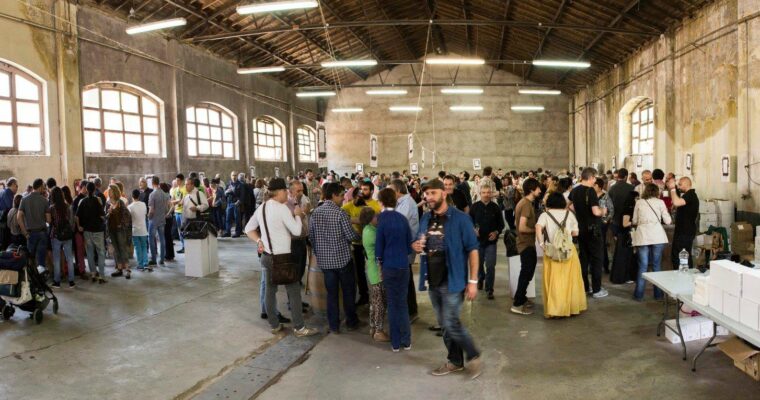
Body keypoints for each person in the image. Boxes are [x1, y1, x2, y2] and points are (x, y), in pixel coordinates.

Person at [411, 179, 482, 379]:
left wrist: (473, 281)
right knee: (444, 324)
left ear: (443, 193)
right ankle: (456, 361)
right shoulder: (425, 218)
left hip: (454, 279)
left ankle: (474, 355)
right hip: (432, 279)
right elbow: (418, 240)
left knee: (451, 322)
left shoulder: (460, 219)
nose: (428, 197)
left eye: (432, 193)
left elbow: (473, 249)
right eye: (426, 194)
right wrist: (415, 245)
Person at [245, 178, 318, 337]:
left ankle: (274, 325)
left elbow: (248, 229)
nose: (288, 193)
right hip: (283, 258)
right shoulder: (282, 208)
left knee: (270, 291)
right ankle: (299, 328)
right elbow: (297, 231)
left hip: (267, 257)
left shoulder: (262, 208)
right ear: (279, 192)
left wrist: (259, 241)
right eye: (286, 190)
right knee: (293, 292)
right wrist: (298, 215)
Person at [309, 182, 362, 333]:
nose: (343, 199)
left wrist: (320, 252)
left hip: (325, 263)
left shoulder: (315, 213)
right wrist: (361, 235)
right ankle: (351, 321)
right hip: (343, 260)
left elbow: (311, 237)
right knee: (348, 292)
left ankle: (334, 325)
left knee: (331, 295)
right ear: (333, 195)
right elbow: (351, 235)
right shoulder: (341, 214)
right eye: (341, 196)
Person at [536, 192, 587, 318]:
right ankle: (571, 307)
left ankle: (556, 310)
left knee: (554, 281)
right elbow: (575, 233)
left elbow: (538, 228)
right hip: (568, 251)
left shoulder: (545, 215)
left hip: (552, 252)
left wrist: (541, 244)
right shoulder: (569, 214)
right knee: (571, 280)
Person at [376, 188, 414, 352]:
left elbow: (379, 247)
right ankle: (407, 341)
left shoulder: (381, 220)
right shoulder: (402, 219)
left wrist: (380, 263)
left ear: (381, 202)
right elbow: (408, 246)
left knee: (392, 304)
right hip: (403, 265)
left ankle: (396, 343)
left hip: (389, 266)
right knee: (403, 304)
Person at [568, 168, 608, 298]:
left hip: (580, 230)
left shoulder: (574, 190)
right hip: (593, 230)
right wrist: (603, 210)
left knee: (583, 259)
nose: (595, 180)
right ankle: (597, 290)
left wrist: (579, 211)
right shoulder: (590, 191)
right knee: (597, 259)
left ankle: (585, 287)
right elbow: (596, 212)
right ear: (591, 177)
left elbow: (567, 204)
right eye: (595, 178)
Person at [342, 180, 382, 306]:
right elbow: (340, 213)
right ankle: (364, 295)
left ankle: (377, 296)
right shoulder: (352, 204)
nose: (362, 192)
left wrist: (354, 220)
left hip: (372, 243)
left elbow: (370, 221)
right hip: (357, 243)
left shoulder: (375, 205)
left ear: (371, 191)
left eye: (365, 189)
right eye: (361, 189)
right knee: (359, 271)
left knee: (374, 270)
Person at [632, 183, 672, 301]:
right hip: (657, 235)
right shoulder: (660, 202)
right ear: (657, 192)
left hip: (643, 235)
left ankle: (639, 295)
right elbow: (668, 221)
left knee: (643, 266)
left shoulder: (639, 202)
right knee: (656, 265)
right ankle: (658, 295)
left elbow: (634, 220)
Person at [390, 179, 420, 321]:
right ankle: (409, 310)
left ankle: (411, 312)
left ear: (397, 191)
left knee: (406, 280)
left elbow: (397, 223)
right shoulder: (401, 203)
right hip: (402, 246)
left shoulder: (406, 203)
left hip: (406, 246)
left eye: (391, 190)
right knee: (404, 280)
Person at [360, 206, 390, 342]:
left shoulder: (368, 229)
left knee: (374, 302)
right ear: (371, 218)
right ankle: (379, 331)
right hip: (376, 272)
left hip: (371, 270)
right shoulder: (372, 233)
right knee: (380, 303)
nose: (378, 218)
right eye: (376, 216)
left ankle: (373, 327)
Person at [469, 185, 504, 299]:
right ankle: (480, 278)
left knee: (490, 265)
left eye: (488, 192)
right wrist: (473, 230)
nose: (486, 195)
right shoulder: (474, 207)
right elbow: (468, 222)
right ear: (480, 193)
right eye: (483, 192)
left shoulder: (495, 207)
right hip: (477, 242)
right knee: (478, 265)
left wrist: (496, 232)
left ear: (491, 193)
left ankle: (489, 289)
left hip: (491, 243)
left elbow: (501, 224)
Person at [511, 178, 540, 315]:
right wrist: (536, 230)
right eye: (538, 188)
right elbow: (522, 227)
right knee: (526, 273)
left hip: (527, 244)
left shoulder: (525, 203)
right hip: (525, 244)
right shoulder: (526, 205)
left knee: (527, 273)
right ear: (532, 190)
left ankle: (522, 298)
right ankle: (517, 304)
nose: (540, 191)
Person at [76, 182, 107, 283]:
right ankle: (101, 276)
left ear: (86, 189)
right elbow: (102, 216)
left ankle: (93, 274)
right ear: (94, 190)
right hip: (98, 230)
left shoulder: (82, 201)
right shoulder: (98, 200)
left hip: (87, 230)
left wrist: (79, 226)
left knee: (89, 253)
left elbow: (77, 216)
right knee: (101, 253)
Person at [17, 178, 50, 267]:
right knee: (41, 260)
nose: (44, 188)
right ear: (39, 187)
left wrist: (25, 233)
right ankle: (41, 278)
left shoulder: (24, 199)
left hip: (30, 233)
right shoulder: (45, 200)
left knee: (31, 258)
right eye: (43, 186)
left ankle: (32, 279)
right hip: (42, 232)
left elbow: (19, 217)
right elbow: (49, 220)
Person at [47, 187, 76, 288]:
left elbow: (49, 222)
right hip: (67, 235)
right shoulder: (67, 206)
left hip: (56, 235)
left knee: (56, 259)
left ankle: (57, 282)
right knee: (69, 258)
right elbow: (72, 221)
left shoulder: (51, 208)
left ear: (53, 197)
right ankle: (71, 281)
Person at [668, 177, 698, 269]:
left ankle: (685, 276)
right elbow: (677, 203)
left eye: (680, 184)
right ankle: (680, 275)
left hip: (685, 232)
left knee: (683, 255)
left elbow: (677, 202)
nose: (679, 186)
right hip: (682, 231)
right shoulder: (686, 195)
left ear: (686, 184)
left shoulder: (691, 195)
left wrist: (672, 188)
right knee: (677, 254)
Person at [610, 191, 639, 284]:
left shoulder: (629, 208)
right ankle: (624, 277)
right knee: (625, 257)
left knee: (626, 257)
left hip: (625, 235)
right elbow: (625, 223)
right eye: (637, 198)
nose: (638, 200)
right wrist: (636, 222)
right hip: (625, 236)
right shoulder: (628, 209)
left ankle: (625, 277)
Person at [107, 185, 132, 279]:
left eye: (110, 191)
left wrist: (122, 224)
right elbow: (105, 217)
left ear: (115, 192)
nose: (109, 193)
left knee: (122, 248)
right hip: (111, 229)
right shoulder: (108, 203)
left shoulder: (120, 202)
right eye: (109, 191)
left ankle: (127, 269)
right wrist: (108, 213)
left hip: (120, 229)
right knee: (116, 249)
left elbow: (127, 215)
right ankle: (119, 268)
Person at [594, 178, 614, 274]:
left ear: (599, 186)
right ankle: (594, 266)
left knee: (601, 244)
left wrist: (606, 220)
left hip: (602, 223)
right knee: (593, 244)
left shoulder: (606, 196)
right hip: (593, 222)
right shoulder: (591, 195)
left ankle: (605, 265)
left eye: (594, 185)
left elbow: (611, 210)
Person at [147, 177, 168, 267]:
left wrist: (148, 217)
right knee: (162, 238)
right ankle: (162, 259)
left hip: (154, 220)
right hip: (162, 219)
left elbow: (151, 210)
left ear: (152, 183)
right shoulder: (164, 194)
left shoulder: (152, 194)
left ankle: (154, 259)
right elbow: (166, 208)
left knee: (151, 238)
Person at [128, 189, 150, 272]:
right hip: (144, 229)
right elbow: (145, 214)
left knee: (138, 248)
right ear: (139, 196)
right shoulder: (144, 204)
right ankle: (146, 263)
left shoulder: (130, 207)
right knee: (144, 247)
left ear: (132, 196)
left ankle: (140, 265)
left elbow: (129, 219)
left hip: (135, 230)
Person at [0, 177, 18, 250]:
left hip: (2, 221)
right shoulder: (8, 193)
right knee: (5, 243)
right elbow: (10, 207)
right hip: (4, 222)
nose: (17, 188)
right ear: (13, 184)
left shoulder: (4, 191)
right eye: (16, 186)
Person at [170, 174, 187, 253]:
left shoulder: (185, 189)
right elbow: (172, 201)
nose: (177, 181)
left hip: (183, 212)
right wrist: (177, 201)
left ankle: (186, 246)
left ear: (181, 180)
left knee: (184, 230)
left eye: (178, 180)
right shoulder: (175, 189)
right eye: (176, 180)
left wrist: (177, 201)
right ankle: (183, 246)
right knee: (179, 230)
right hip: (176, 212)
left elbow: (182, 202)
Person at [160, 183, 176, 262]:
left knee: (166, 237)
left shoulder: (165, 196)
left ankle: (168, 255)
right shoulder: (167, 195)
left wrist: (167, 214)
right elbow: (172, 206)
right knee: (168, 237)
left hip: (166, 219)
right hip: (168, 218)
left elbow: (172, 206)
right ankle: (170, 255)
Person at [224, 171, 241, 237]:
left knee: (237, 219)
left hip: (236, 203)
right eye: (233, 175)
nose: (234, 177)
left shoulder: (240, 184)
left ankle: (237, 232)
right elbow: (224, 193)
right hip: (229, 203)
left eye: (235, 175)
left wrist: (239, 202)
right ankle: (228, 232)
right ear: (231, 176)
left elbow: (242, 195)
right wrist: (226, 192)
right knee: (228, 218)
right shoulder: (228, 184)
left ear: (237, 176)